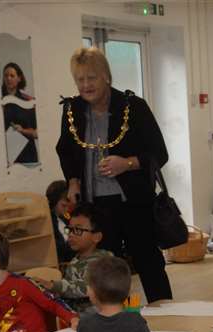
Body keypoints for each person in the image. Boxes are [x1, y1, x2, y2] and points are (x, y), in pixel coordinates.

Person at [55, 47, 173, 303]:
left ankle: (167, 316)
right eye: (80, 79)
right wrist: (73, 181)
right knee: (103, 269)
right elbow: (65, 151)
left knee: (148, 261)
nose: (86, 85)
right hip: (94, 205)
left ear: (106, 76)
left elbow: (159, 153)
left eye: (91, 78)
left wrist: (127, 163)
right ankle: (110, 321)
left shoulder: (133, 107)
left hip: (133, 201)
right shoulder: (72, 110)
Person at [44, 202, 105, 310]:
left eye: (78, 230)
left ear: (96, 237)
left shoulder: (103, 261)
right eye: (70, 229)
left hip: (98, 320)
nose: (71, 234)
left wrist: (53, 286)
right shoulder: (74, 261)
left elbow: (87, 287)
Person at [1, 61, 38, 166]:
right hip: (6, 157)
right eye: (6, 75)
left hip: (27, 155)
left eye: (12, 75)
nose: (8, 78)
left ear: (19, 78)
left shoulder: (29, 102)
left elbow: (37, 133)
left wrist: (23, 130)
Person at [46, 178, 76, 263]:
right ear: (54, 203)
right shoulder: (49, 221)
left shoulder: (66, 217)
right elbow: (56, 247)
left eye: (68, 206)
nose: (67, 209)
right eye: (63, 206)